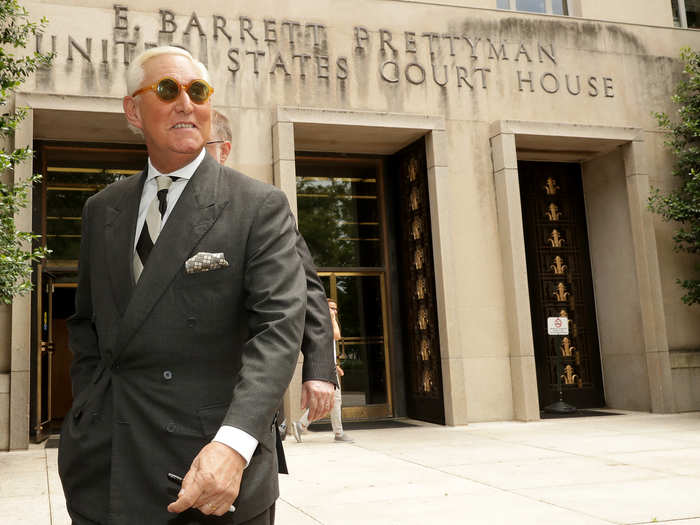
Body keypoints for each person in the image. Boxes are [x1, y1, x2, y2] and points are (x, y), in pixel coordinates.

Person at [58, 46, 305, 525]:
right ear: (134, 109)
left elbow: (277, 333)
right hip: (106, 465)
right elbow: (86, 322)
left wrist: (234, 445)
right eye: (168, 90)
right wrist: (89, 408)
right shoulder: (102, 209)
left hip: (209, 470)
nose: (186, 103)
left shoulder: (258, 205)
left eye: (198, 91)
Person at [205, 110, 338, 471]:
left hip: (235, 389)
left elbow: (309, 290)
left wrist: (320, 369)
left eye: (205, 144)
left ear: (224, 150)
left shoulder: (259, 206)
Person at [291, 298, 353, 443]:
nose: (334, 311)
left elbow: (328, 348)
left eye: (336, 309)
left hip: (329, 366)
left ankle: (301, 425)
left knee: (330, 401)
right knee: (334, 400)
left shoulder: (325, 323)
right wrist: (331, 317)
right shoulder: (325, 322)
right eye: (331, 308)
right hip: (326, 368)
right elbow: (337, 335)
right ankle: (338, 433)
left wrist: (335, 366)